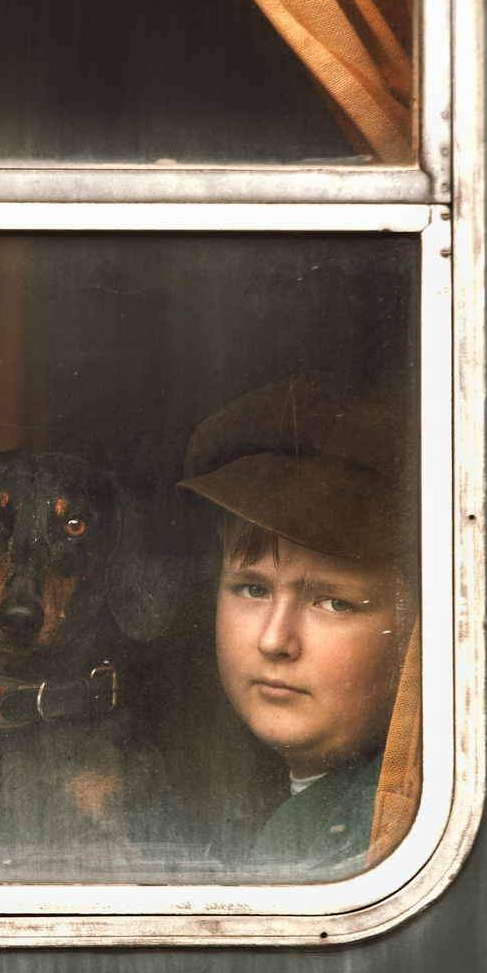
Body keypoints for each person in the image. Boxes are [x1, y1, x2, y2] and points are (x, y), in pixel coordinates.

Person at [179, 372, 420, 879]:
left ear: (411, 631)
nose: (274, 640)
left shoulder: (388, 834)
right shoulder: (232, 798)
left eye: (334, 603)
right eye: (253, 589)